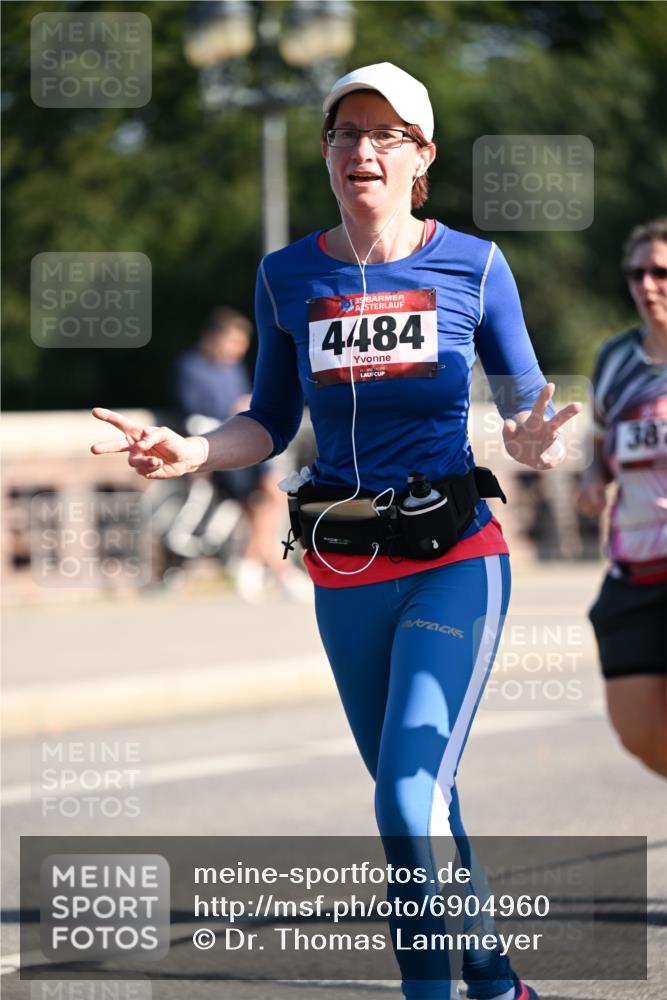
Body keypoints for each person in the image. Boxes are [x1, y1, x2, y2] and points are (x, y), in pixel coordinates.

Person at [91, 62, 580, 1000]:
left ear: (421, 158)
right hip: (343, 565)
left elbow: (526, 401)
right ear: (327, 153)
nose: (362, 150)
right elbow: (268, 421)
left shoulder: (473, 265)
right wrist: (194, 453)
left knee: (403, 798)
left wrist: (528, 436)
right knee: (422, 804)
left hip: (453, 559)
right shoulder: (288, 272)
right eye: (345, 134)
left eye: (385, 135)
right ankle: (496, 982)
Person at [577, 218, 667, 778]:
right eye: (636, 272)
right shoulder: (616, 359)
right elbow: (599, 440)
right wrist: (592, 480)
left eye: (660, 271)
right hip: (635, 567)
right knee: (638, 732)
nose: (646, 284)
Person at [173, 306, 311, 602]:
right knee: (262, 504)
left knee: (269, 499)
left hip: (248, 443)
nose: (238, 350)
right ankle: (275, 570)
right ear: (214, 338)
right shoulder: (191, 367)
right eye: (232, 342)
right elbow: (195, 414)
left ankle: (256, 566)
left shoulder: (233, 368)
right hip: (222, 445)